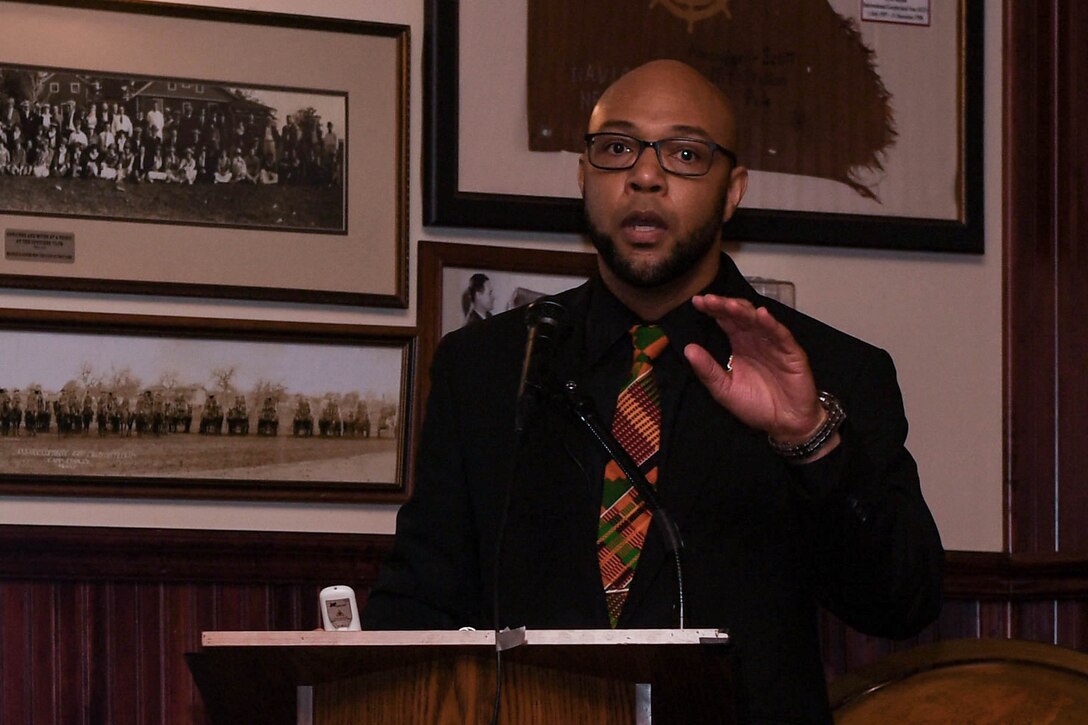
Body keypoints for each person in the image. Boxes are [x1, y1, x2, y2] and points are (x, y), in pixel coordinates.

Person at [360, 60, 943, 722]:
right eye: (616, 149)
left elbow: (901, 601)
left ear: (732, 190)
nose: (644, 175)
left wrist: (810, 440)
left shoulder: (831, 370)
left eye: (686, 154)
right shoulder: (488, 367)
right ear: (584, 178)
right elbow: (415, 603)